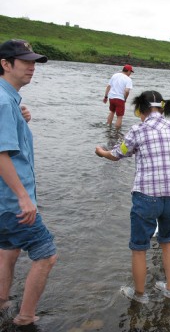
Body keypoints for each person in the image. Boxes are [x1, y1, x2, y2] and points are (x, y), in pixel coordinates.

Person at [95, 90, 170, 301]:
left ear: (141, 109)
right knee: (167, 241)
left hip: (147, 195)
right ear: (162, 108)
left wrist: (102, 152)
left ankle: (140, 294)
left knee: (139, 248)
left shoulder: (138, 130)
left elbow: (118, 154)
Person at [0, 39, 57, 326]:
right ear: (5, 64)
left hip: (3, 202)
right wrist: (23, 197)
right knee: (46, 256)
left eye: (34, 62)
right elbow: (0, 153)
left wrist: (21, 117)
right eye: (24, 61)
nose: (31, 67)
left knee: (8, 250)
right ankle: (25, 318)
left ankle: (2, 302)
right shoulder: (2, 101)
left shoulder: (8, 99)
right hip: (11, 201)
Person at [102, 64, 134, 129]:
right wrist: (125, 99)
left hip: (111, 98)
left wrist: (105, 97)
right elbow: (127, 91)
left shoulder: (115, 75)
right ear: (128, 71)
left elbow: (108, 86)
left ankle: (108, 127)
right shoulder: (128, 79)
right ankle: (117, 131)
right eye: (130, 72)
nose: (130, 73)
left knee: (112, 112)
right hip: (120, 99)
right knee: (119, 116)